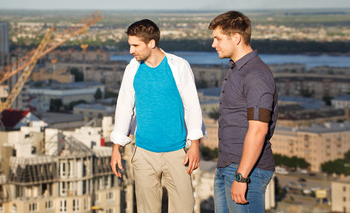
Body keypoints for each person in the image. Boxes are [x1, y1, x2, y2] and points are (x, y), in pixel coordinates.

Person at [110, 19, 206, 213]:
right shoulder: (132, 69)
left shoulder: (178, 66)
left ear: (151, 43)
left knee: (184, 209)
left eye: (135, 45)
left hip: (178, 153)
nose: (131, 50)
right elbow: (124, 108)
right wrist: (116, 148)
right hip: (144, 153)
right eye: (130, 45)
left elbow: (192, 106)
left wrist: (194, 145)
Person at [208, 11, 278, 212]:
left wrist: (241, 176)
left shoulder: (255, 75)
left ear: (236, 38)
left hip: (247, 172)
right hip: (227, 167)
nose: (214, 45)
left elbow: (258, 130)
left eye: (218, 39)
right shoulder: (237, 70)